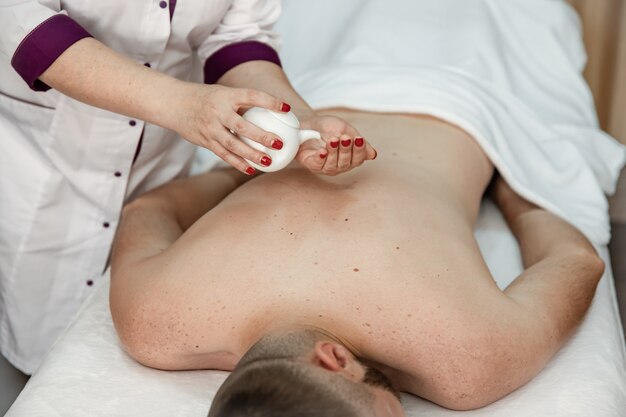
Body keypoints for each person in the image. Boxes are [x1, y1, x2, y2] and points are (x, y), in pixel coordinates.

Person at [109, 110, 605, 414]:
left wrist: (513, 190)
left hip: (458, 110)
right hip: (309, 108)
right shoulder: (151, 321)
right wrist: (244, 173)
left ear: (335, 360)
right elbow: (148, 211)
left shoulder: (470, 361)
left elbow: (576, 260)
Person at [0, 1, 375, 374]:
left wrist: (298, 119)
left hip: (157, 162)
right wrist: (180, 104)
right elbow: (24, 21)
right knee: (34, 330)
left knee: (112, 342)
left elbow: (237, 38)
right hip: (46, 161)